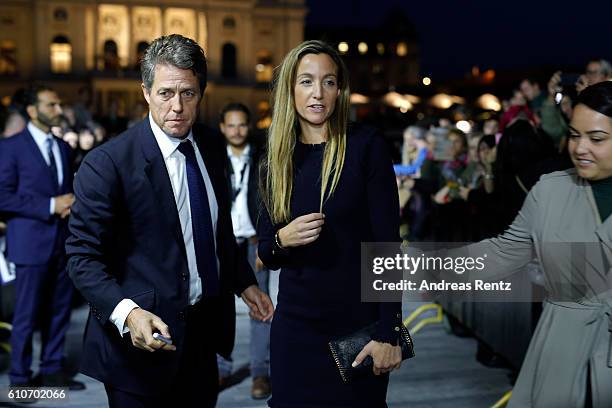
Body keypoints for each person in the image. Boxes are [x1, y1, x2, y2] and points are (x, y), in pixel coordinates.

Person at [65, 34, 274, 408]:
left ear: (201, 92)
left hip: (202, 339)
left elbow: (215, 230)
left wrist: (245, 283)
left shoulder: (211, 147)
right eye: (165, 93)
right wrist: (127, 314)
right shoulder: (107, 163)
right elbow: (82, 259)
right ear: (145, 92)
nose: (176, 106)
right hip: (138, 347)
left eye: (188, 94)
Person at [445, 81, 612, 407]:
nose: (579, 149)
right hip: (561, 354)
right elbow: (503, 253)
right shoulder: (551, 190)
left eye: (597, 139)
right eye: (575, 135)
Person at [257, 40, 404, 407]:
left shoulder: (365, 146)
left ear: (340, 89)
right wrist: (283, 239)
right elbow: (266, 251)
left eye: (329, 82)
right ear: (290, 89)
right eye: (306, 81)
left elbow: (387, 246)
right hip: (296, 330)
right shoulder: (275, 158)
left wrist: (390, 333)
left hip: (358, 331)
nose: (318, 93)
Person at [0, 85, 84, 392]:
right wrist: (51, 205)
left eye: (59, 105)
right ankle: (20, 380)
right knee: (26, 316)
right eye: (51, 105)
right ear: (33, 111)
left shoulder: (62, 147)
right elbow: (2, 196)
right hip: (30, 245)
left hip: (61, 245)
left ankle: (51, 372)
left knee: (58, 312)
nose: (58, 110)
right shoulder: (11, 147)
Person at [216, 102, 271, 399]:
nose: (237, 130)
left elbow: (271, 205)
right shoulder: (212, 159)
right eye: (231, 125)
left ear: (249, 127)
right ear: (223, 128)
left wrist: (266, 244)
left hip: (252, 242)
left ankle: (260, 373)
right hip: (221, 243)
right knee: (217, 307)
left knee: (260, 308)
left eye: (242, 124)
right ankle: (221, 369)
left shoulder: (263, 159)